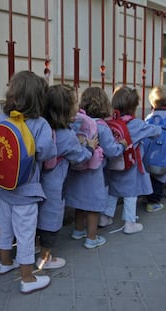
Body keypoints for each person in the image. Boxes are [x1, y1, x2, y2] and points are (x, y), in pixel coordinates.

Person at [0, 71, 56, 294]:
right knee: (26, 235)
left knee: (4, 228)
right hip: (26, 190)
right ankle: (28, 278)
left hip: (3, 188)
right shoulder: (41, 124)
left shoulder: (2, 119)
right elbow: (47, 152)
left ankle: (5, 263)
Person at [37, 84, 98, 269]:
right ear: (67, 109)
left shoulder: (43, 126)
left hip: (36, 181)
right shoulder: (67, 135)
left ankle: (34, 248)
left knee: (36, 217)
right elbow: (79, 157)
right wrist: (90, 147)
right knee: (51, 219)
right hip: (55, 185)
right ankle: (45, 258)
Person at [64, 87, 126, 249]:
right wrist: (122, 146)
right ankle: (92, 238)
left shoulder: (76, 122)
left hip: (77, 169)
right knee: (94, 204)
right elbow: (112, 151)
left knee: (79, 202)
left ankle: (78, 231)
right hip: (94, 171)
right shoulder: (102, 127)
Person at [101, 86, 162, 234]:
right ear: (134, 106)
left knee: (113, 191)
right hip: (130, 165)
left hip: (112, 163)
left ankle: (105, 217)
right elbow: (156, 132)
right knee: (130, 193)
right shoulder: (137, 124)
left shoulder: (109, 122)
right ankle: (129, 223)